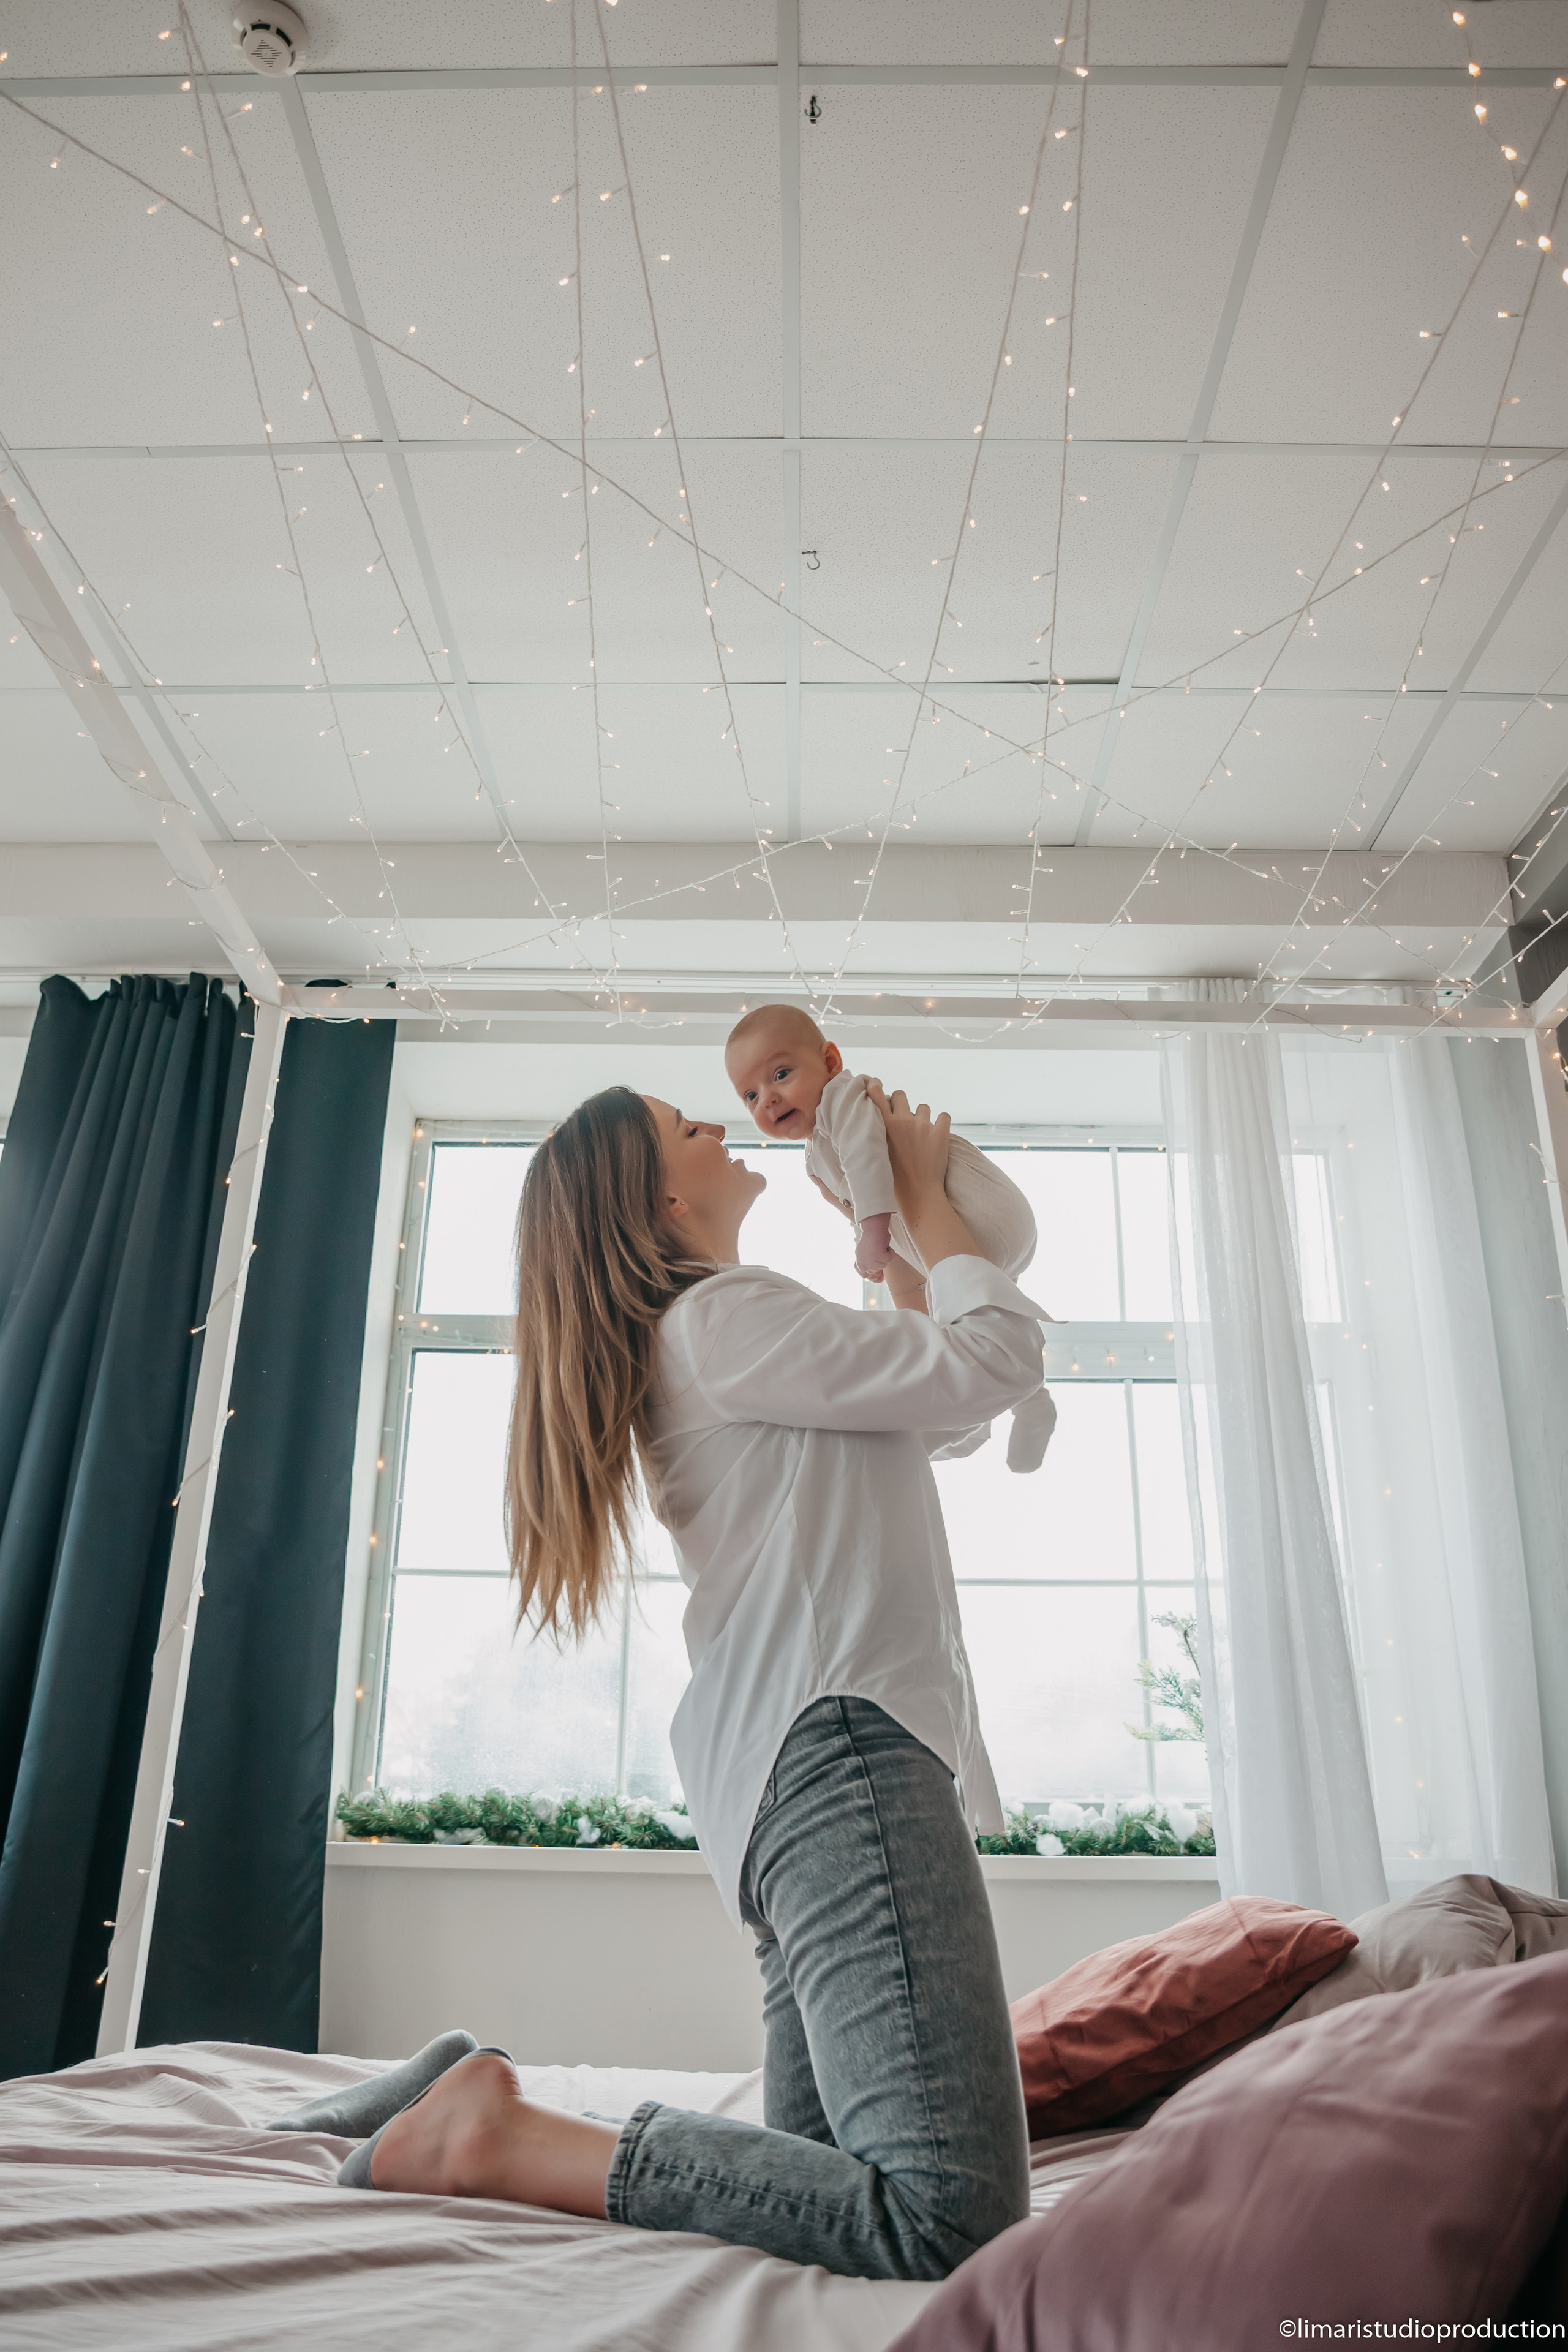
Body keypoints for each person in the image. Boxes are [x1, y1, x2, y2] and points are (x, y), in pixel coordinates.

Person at [341, 1082, 1041, 2281]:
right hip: (845, 1754)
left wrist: (895, 1241)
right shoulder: (725, 1318)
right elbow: (995, 1360)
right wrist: (924, 1195)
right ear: (662, 1196)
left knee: (836, 2185)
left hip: (791, 1778)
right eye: (687, 1128)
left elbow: (943, 1413)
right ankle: (498, 2134)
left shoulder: (713, 1334)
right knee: (946, 2219)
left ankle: (474, 2105)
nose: (719, 1127)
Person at [725, 1002, 1056, 1471]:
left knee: (966, 1328)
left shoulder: (843, 1098)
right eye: (751, 1096)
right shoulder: (815, 1156)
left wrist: (871, 1233)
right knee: (978, 1322)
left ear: (831, 1063)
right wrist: (882, 1252)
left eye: (780, 1074)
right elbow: (869, 1208)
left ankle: (982, 1414)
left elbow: (867, 1160)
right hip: (957, 1242)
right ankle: (1029, 1402)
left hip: (976, 1208)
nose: (768, 1099)